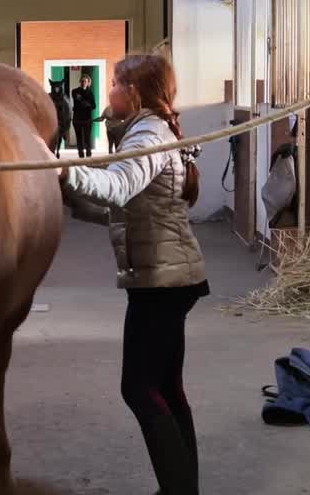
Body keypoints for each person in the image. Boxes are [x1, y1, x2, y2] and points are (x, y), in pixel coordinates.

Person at [58, 54, 207, 495]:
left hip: (162, 281)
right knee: (166, 387)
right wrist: (69, 201)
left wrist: (64, 169)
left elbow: (118, 187)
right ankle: (183, 489)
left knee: (139, 389)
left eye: (116, 84)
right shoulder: (150, 131)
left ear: (135, 92)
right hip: (169, 276)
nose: (110, 93)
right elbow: (127, 213)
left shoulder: (148, 133)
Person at [71, 73, 98, 157]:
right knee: (79, 138)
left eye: (85, 81)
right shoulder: (74, 91)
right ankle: (81, 155)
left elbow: (94, 106)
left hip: (87, 119)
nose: (84, 83)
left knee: (87, 138)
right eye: (82, 81)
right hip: (77, 118)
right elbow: (77, 99)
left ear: (88, 83)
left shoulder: (90, 93)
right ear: (80, 82)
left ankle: (89, 155)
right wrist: (86, 103)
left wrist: (86, 103)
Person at [49, 80, 72, 158]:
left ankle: (65, 133)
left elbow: (68, 112)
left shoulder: (64, 98)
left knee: (60, 135)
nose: (56, 89)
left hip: (62, 119)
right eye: (55, 88)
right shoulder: (49, 97)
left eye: (58, 87)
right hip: (52, 119)